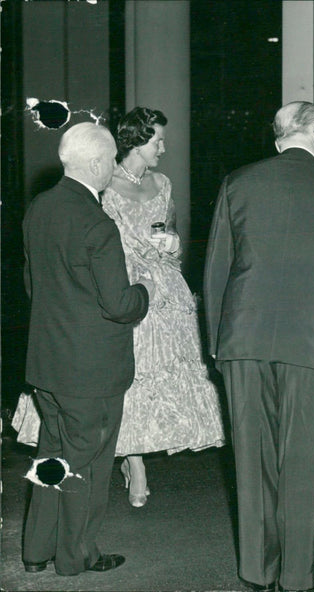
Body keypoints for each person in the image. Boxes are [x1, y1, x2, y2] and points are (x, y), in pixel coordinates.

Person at [204, 101, 314, 592]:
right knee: (304, 458)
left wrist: (218, 347)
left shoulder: (237, 182)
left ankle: (257, 570)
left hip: (242, 339)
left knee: (251, 455)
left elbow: (217, 269)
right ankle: (298, 575)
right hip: (307, 340)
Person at [13, 107, 226, 508]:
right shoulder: (100, 183)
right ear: (134, 143)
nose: (163, 147)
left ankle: (133, 457)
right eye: (156, 140)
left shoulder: (163, 183)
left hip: (162, 288)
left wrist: (172, 243)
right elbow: (85, 247)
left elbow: (171, 228)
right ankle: (132, 459)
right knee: (122, 379)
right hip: (118, 288)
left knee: (159, 378)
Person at [21, 122, 152, 575]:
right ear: (96, 163)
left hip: (47, 363)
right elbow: (119, 305)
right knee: (89, 464)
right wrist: (145, 290)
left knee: (51, 455)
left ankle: (37, 550)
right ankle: (76, 557)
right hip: (90, 370)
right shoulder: (97, 223)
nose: (114, 167)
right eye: (113, 159)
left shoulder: (40, 208)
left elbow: (31, 284)